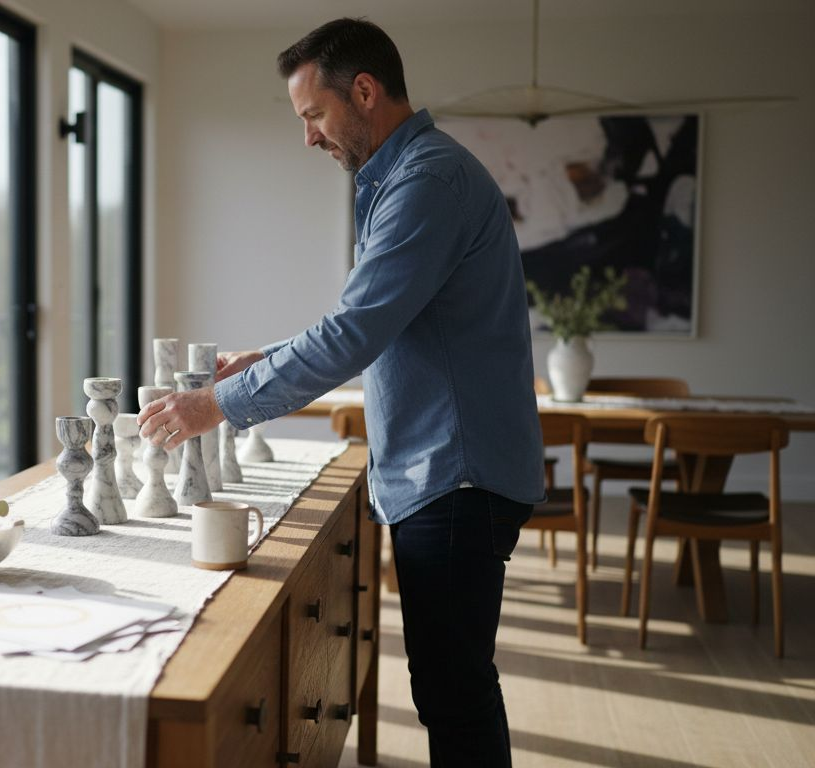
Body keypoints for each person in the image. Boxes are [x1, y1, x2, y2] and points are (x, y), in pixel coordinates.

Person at [137, 17, 545, 767]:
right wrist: (264, 359)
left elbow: (354, 332)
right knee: (453, 689)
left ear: (363, 91)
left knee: (454, 695)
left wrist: (211, 406)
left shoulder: (427, 183)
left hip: (456, 475)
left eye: (314, 115)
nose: (309, 138)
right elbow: (375, 324)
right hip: (453, 472)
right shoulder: (412, 176)